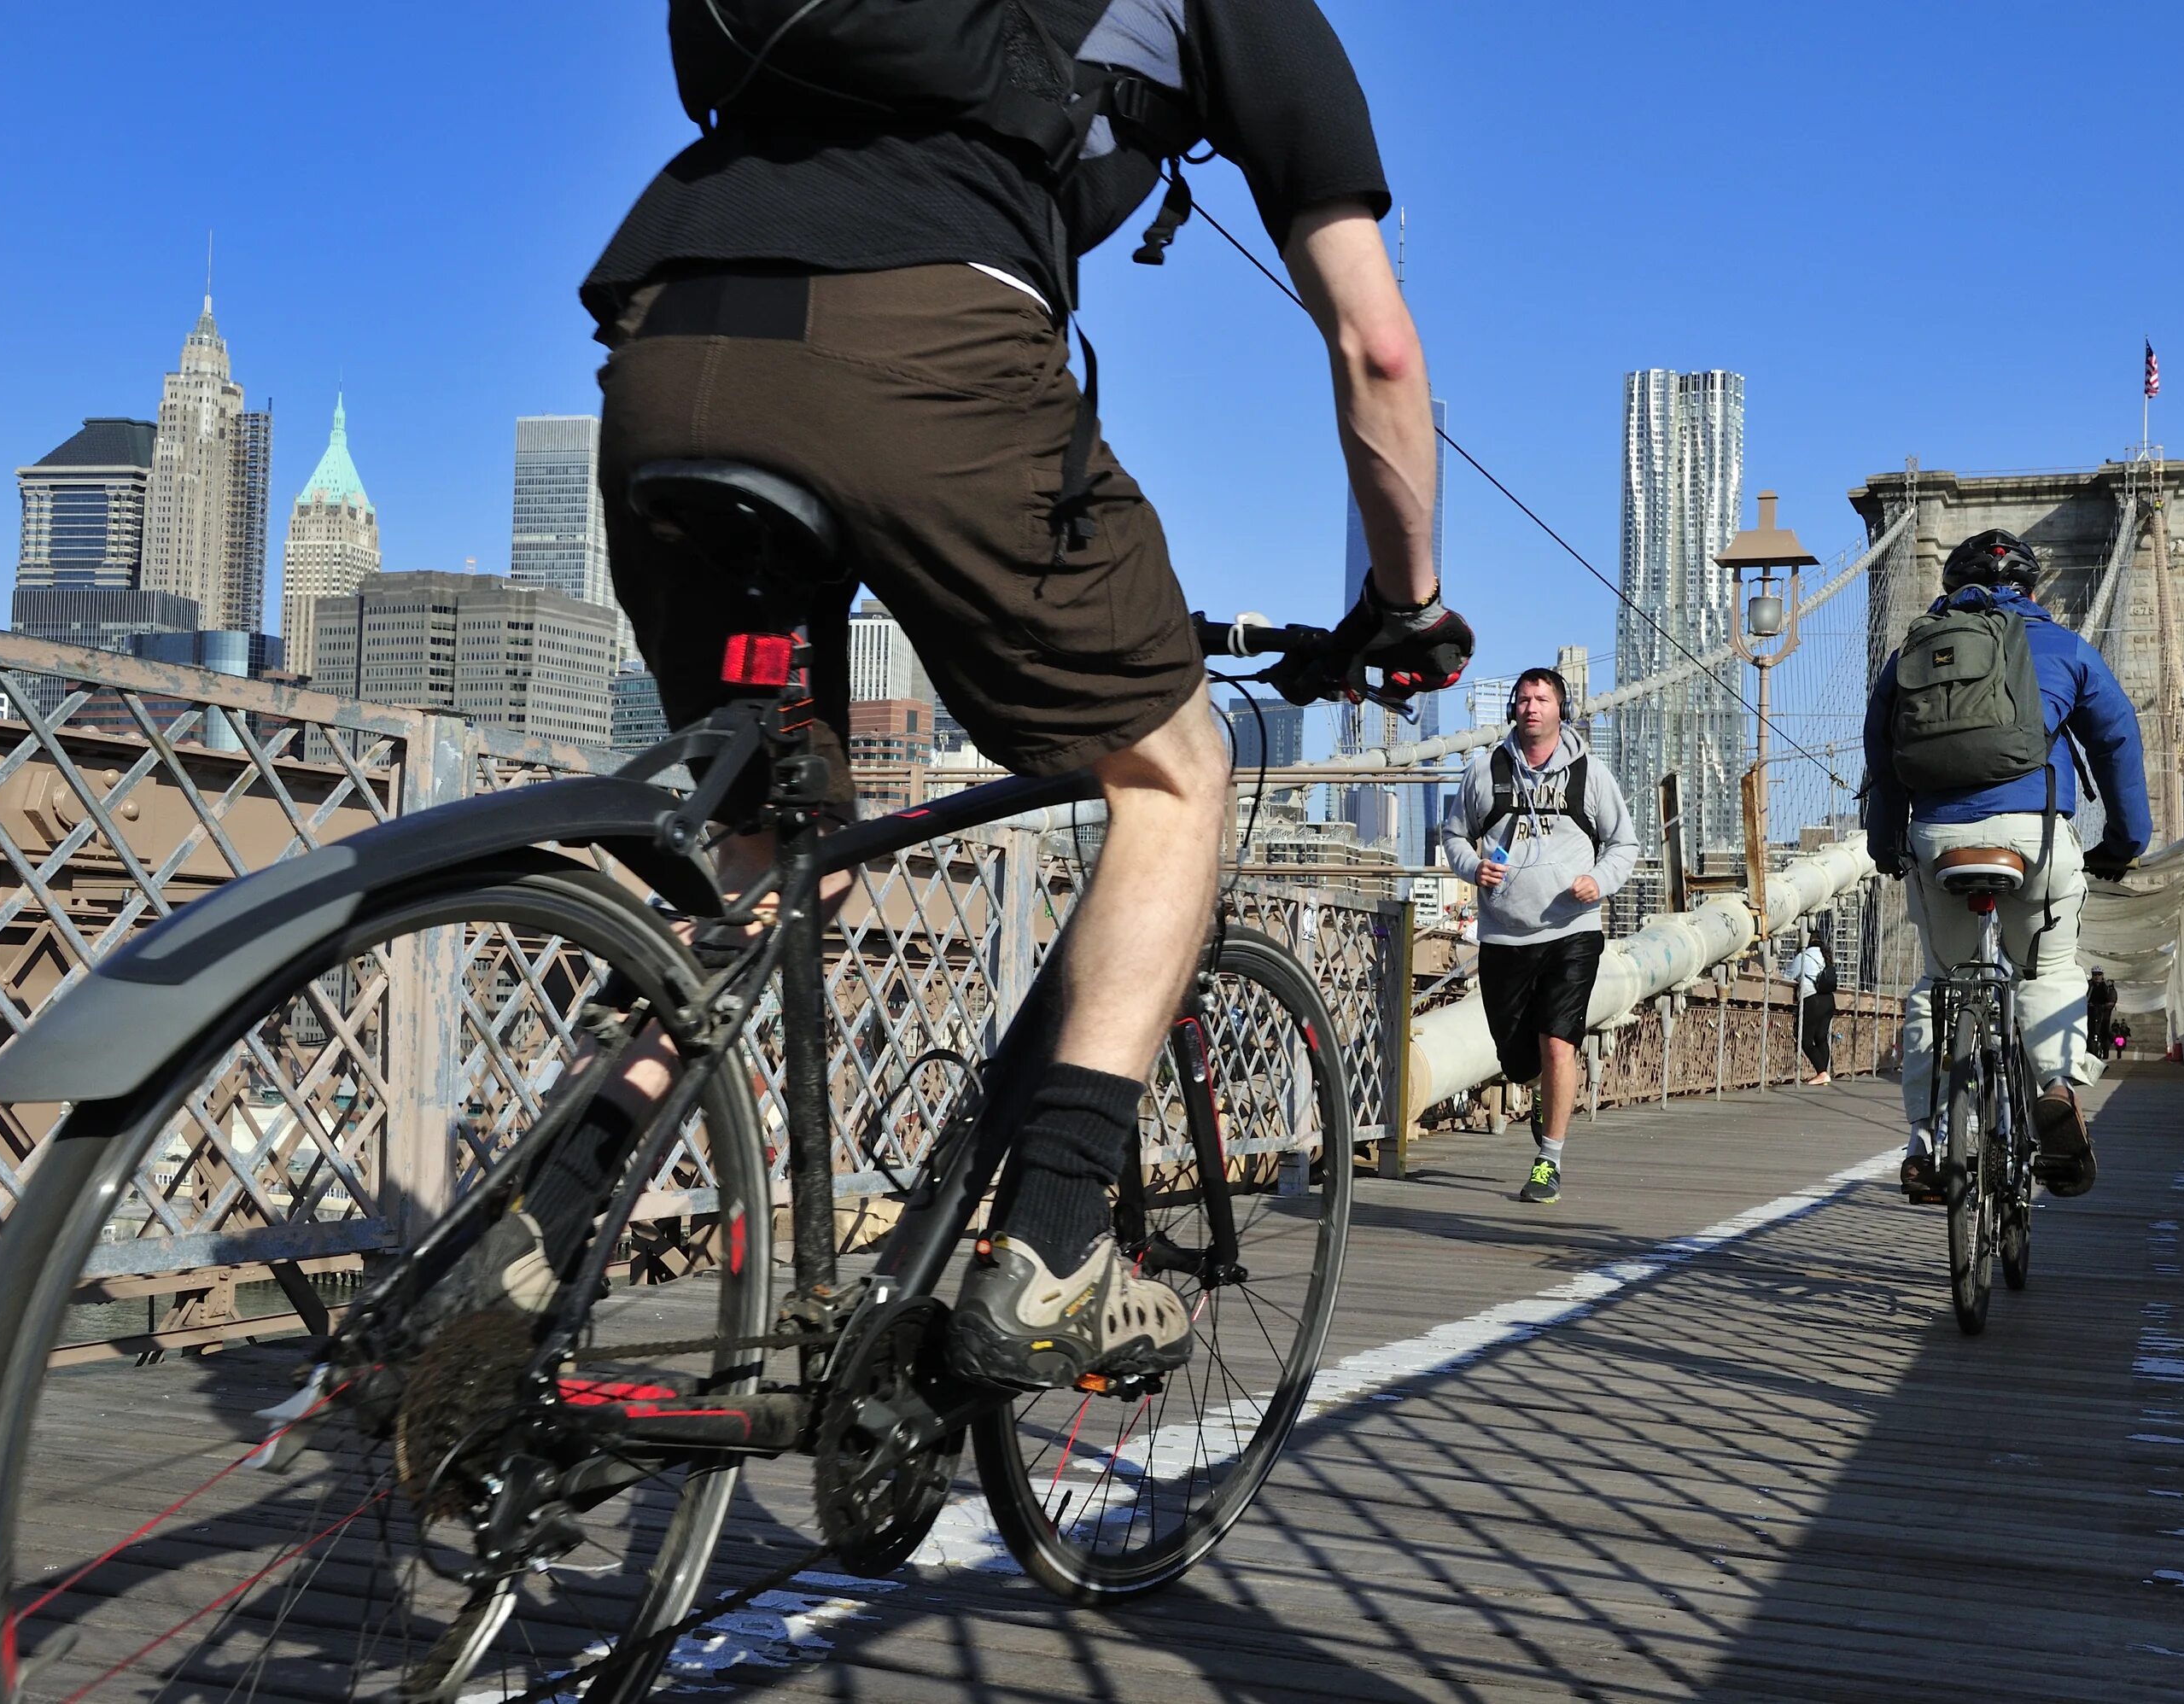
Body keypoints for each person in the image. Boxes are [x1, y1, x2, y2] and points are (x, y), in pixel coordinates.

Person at [438, 0, 1474, 1392]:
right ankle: (1049, 1247)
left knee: (777, 853)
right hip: (923, 346)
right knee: (1173, 773)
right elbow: (1380, 343)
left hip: (669, 342)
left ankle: (539, 1217)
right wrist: (1407, 609)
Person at [1863, 529, 2151, 1203]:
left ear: (1951, 587)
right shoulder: (2065, 647)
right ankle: (2053, 1088)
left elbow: (1882, 756)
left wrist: (1887, 843)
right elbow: (2117, 740)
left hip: (1938, 839)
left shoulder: (1912, 649)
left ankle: (1928, 1141)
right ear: (2032, 588)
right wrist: (2125, 839)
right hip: (2034, 836)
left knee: (1940, 983)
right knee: (2048, 968)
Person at [1442, 668, 1638, 1205]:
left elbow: (1624, 845)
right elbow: (1455, 833)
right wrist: (1470, 868)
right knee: (1519, 1059)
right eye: (1524, 699)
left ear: (1561, 709)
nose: (1532, 707)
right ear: (1513, 708)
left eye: (1543, 698)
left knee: (1558, 1041)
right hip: (1505, 934)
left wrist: (1597, 880)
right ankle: (1539, 1089)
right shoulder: (1484, 772)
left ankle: (1548, 1160)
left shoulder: (1590, 776)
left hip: (1572, 930)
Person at [1793, 925, 1837, 1086]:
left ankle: (1822, 1073)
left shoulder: (1804, 956)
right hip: (1829, 1001)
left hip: (1812, 1000)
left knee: (1804, 1039)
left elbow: (1788, 975)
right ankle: (1824, 1075)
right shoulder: (1826, 956)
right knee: (1820, 1038)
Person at [2086, 967, 2119, 1059]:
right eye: (2095, 974)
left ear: (2102, 976)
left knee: (2105, 1031)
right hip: (2090, 1012)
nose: (2097, 977)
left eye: (2099, 974)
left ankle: (2106, 1047)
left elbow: (2112, 998)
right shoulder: (2088, 985)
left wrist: (2106, 1005)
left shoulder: (2107, 987)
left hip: (2103, 1013)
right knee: (2088, 1031)